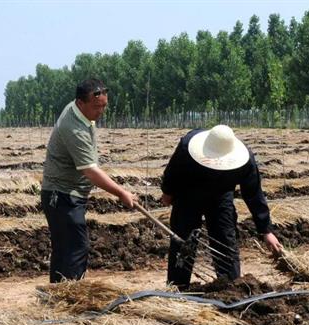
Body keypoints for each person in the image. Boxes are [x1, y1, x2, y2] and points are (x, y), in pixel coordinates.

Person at [161, 124, 283, 289]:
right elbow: (172, 172)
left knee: (225, 240)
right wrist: (168, 193)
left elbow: (253, 193)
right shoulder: (187, 146)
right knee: (183, 241)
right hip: (188, 194)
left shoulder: (244, 160)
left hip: (221, 196)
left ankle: (231, 287)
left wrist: (266, 230)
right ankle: (177, 288)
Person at [41, 78, 136, 283]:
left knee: (65, 247)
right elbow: (90, 171)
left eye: (104, 106)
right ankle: (72, 295)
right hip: (62, 195)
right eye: (96, 107)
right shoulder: (72, 128)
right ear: (80, 103)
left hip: (66, 193)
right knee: (76, 246)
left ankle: (59, 294)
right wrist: (121, 193)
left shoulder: (79, 110)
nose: (101, 111)